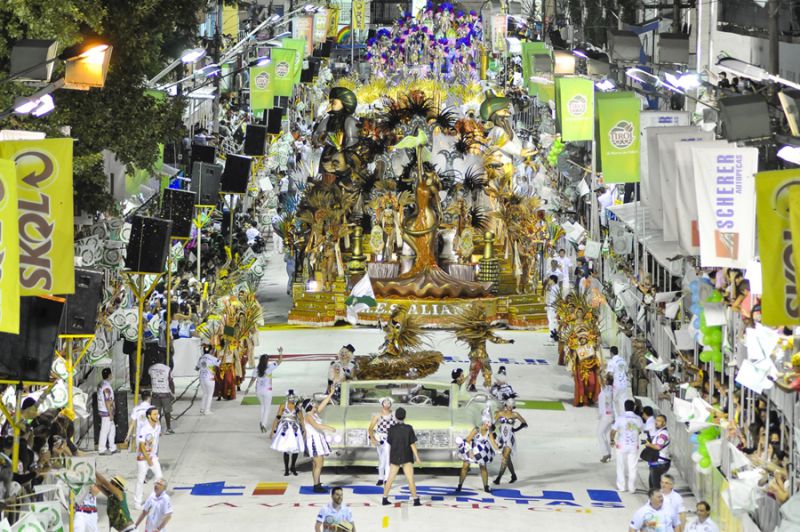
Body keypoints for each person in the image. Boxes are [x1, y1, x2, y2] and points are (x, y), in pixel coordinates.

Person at [382, 407, 421, 507]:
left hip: (395, 456)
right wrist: (417, 457)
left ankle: (384, 498)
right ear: (405, 416)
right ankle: (416, 500)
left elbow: (389, 443)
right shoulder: (409, 428)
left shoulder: (391, 429)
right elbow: (412, 444)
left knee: (390, 478)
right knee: (410, 479)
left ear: (395, 417)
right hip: (406, 456)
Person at [301, 390, 336, 492]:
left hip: (318, 440)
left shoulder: (313, 414)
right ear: (310, 406)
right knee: (318, 464)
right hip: (314, 441)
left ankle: (317, 483)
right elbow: (316, 426)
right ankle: (316, 485)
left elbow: (322, 405)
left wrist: (330, 394)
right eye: (313, 403)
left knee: (316, 464)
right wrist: (329, 428)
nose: (315, 404)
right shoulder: (308, 416)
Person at [456, 416, 500, 493]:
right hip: (471, 447)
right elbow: (468, 440)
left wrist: (498, 450)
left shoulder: (489, 431)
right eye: (487, 423)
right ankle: (460, 485)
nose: (489, 425)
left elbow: (493, 442)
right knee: (465, 465)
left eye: (490, 423)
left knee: (483, 467)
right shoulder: (476, 429)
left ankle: (486, 486)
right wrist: (470, 451)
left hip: (482, 449)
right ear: (484, 422)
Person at [245, 349, 284, 432]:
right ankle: (263, 424)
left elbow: (252, 380)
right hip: (267, 391)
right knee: (267, 408)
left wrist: (248, 388)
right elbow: (280, 360)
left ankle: (262, 421)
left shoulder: (256, 369)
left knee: (263, 405)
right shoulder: (270, 367)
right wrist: (280, 352)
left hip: (258, 391)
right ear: (267, 361)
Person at [611, 399, 643, 493]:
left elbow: (613, 431)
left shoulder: (620, 418)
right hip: (633, 446)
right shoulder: (638, 419)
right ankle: (631, 488)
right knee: (632, 467)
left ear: (625, 407)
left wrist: (612, 440)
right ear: (633, 407)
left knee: (620, 466)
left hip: (621, 445)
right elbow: (640, 431)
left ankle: (622, 487)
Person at [493, 398, 527, 485]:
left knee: (504, 458)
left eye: (511, 406)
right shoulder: (500, 413)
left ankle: (498, 478)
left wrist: (515, 429)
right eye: (509, 405)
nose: (510, 407)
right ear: (506, 405)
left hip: (509, 438)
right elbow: (492, 424)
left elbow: (524, 424)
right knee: (507, 459)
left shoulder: (515, 414)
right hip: (501, 438)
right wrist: (493, 433)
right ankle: (513, 475)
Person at [270, 391, 305, 476]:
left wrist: (304, 429)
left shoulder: (297, 406)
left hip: (294, 428)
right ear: (287, 397)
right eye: (290, 397)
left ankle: (293, 466)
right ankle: (286, 469)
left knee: (295, 448)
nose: (292, 399)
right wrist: (272, 430)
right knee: (285, 449)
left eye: (293, 397)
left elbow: (301, 418)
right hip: (285, 428)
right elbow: (278, 417)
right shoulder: (283, 405)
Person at [135, 407, 163, 510]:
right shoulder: (144, 429)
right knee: (141, 480)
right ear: (148, 416)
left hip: (153, 457)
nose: (157, 416)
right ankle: (137, 503)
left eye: (157, 414)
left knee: (159, 477)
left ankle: (155, 499)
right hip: (143, 458)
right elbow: (142, 446)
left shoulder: (157, 427)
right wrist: (148, 459)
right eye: (154, 414)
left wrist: (152, 458)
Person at [368, 397, 397, 487]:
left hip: (390, 439)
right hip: (380, 438)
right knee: (381, 460)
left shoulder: (394, 415)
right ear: (382, 404)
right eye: (385, 403)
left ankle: (386, 479)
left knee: (388, 459)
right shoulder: (377, 415)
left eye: (388, 403)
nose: (386, 405)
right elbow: (370, 428)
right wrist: (373, 438)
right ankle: (381, 478)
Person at [148, 358, 175, 435]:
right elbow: (170, 381)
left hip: (155, 394)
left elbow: (150, 379)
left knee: (156, 413)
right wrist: (173, 393)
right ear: (163, 360)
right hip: (165, 394)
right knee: (167, 412)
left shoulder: (151, 368)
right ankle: (168, 429)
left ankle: (158, 430)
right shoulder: (167, 369)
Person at [645, 415, 671, 489]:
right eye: (656, 420)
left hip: (660, 464)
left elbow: (658, 447)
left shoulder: (663, 434)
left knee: (655, 487)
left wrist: (648, 444)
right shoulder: (659, 432)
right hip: (656, 463)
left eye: (659, 421)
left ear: (664, 423)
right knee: (652, 486)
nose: (656, 422)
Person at [97, 368, 117, 455]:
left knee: (112, 429)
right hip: (106, 411)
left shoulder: (101, 384)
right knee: (105, 430)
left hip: (103, 409)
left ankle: (112, 447)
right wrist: (110, 413)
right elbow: (107, 401)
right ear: (109, 375)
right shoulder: (106, 387)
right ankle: (102, 449)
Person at [606, 346, 631, 418]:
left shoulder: (612, 362)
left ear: (611, 353)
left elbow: (610, 374)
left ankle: (617, 419)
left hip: (617, 384)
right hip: (624, 384)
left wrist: (606, 377)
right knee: (623, 401)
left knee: (615, 401)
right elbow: (626, 371)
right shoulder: (623, 360)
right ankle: (624, 417)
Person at [196, 345, 220, 415]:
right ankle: (207, 410)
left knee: (205, 393)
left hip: (201, 378)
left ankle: (202, 409)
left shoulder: (201, 358)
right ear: (211, 350)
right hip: (210, 378)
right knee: (210, 394)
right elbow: (219, 364)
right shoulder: (213, 358)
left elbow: (197, 368)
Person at [598, 373, 615, 464]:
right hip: (610, 415)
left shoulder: (607, 389)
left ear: (607, 381)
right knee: (606, 434)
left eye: (605, 379)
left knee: (599, 433)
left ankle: (605, 453)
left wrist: (599, 374)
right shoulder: (612, 390)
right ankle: (608, 453)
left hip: (606, 415)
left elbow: (601, 382)